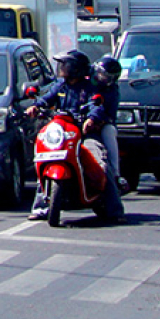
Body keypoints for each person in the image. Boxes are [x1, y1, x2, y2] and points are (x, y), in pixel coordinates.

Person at [25, 49, 125, 223]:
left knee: (101, 163)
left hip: (85, 134)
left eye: (66, 64)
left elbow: (97, 105)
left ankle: (114, 209)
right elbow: (46, 98)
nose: (62, 68)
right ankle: (41, 206)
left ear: (76, 68)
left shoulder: (90, 87)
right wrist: (35, 107)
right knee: (44, 158)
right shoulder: (60, 85)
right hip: (63, 132)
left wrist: (92, 119)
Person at [92, 55, 126, 192]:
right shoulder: (85, 81)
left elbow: (111, 113)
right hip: (80, 119)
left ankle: (116, 173)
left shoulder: (112, 91)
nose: (104, 78)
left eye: (109, 77)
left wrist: (100, 121)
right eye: (102, 74)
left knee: (109, 131)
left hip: (101, 122)